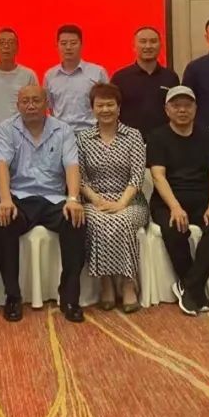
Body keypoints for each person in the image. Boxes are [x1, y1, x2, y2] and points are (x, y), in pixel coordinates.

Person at [0, 85, 86, 323]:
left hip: (53, 197)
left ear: (47, 103)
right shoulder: (7, 129)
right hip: (20, 197)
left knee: (76, 221)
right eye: (25, 101)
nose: (31, 106)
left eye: (36, 100)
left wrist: (73, 199)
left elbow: (72, 166)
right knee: (3, 221)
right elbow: (1, 165)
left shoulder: (63, 130)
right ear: (18, 105)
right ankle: (13, 296)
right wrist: (5, 199)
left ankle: (70, 297)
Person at [147, 85, 209, 316]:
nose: (182, 110)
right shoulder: (157, 136)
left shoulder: (208, 135)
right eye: (176, 106)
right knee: (174, 228)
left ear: (195, 108)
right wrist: (175, 207)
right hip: (168, 200)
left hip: (203, 199)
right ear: (167, 109)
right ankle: (194, 289)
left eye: (187, 105)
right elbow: (158, 176)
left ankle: (190, 286)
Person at [76, 83, 148, 312]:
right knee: (97, 221)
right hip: (94, 200)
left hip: (130, 200)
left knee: (122, 220)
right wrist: (97, 201)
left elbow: (137, 176)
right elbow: (80, 178)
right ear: (92, 108)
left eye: (110, 105)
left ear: (119, 108)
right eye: (100, 105)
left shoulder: (133, 135)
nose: (105, 109)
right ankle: (106, 283)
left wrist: (121, 204)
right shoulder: (83, 138)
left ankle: (128, 283)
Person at [111, 26, 179, 136]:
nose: (148, 46)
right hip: (129, 140)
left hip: (164, 139)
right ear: (134, 46)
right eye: (143, 41)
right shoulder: (120, 78)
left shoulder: (171, 77)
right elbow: (112, 111)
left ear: (160, 45)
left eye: (153, 41)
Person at [43, 24, 108, 131]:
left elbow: (107, 103)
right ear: (57, 46)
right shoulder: (50, 75)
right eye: (63, 43)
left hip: (91, 131)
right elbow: (49, 107)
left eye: (73, 43)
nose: (68, 47)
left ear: (81, 45)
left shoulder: (98, 72)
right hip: (60, 133)